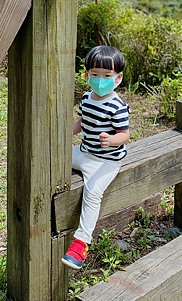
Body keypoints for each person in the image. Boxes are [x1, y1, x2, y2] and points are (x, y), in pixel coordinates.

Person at [61, 45, 130, 270]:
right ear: (87, 75)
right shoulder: (86, 98)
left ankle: (80, 245)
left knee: (93, 193)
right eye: (95, 75)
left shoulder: (117, 106)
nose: (100, 80)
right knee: (54, 161)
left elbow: (124, 134)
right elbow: (82, 122)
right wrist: (64, 134)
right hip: (84, 152)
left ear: (118, 77)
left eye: (107, 76)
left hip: (106, 161)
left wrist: (111, 140)